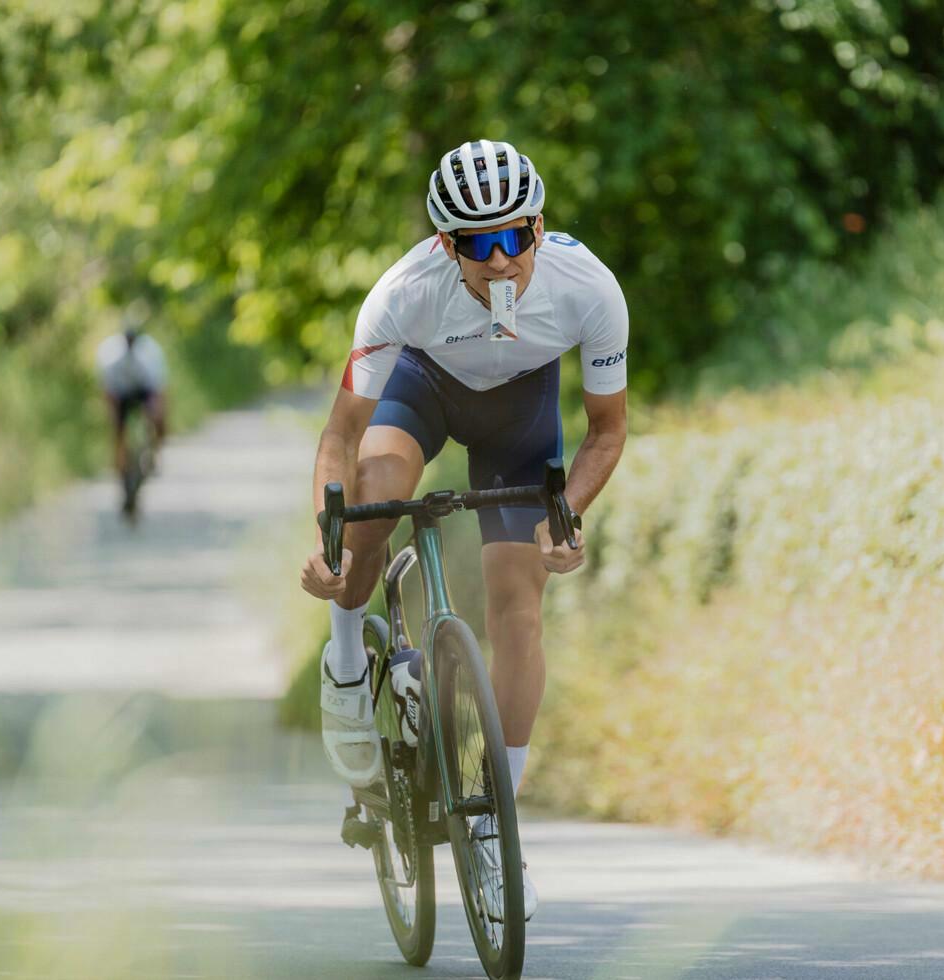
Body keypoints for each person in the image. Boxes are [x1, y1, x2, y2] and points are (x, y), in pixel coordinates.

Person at [300, 139, 629, 922]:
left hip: (521, 412)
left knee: (519, 607)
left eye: (520, 235)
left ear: (541, 227)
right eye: (481, 245)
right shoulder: (401, 295)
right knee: (379, 497)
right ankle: (349, 661)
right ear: (447, 245)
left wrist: (566, 514)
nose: (504, 259)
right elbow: (339, 438)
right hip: (424, 389)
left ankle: (499, 833)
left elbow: (607, 432)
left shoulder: (589, 289)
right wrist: (332, 540)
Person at [95, 319, 169, 484]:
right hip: (121, 392)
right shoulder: (111, 357)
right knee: (118, 429)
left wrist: (157, 414)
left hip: (144, 388)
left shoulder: (149, 355)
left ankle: (154, 453)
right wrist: (112, 416)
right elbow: (108, 393)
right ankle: (119, 464)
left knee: (156, 418)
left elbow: (157, 390)